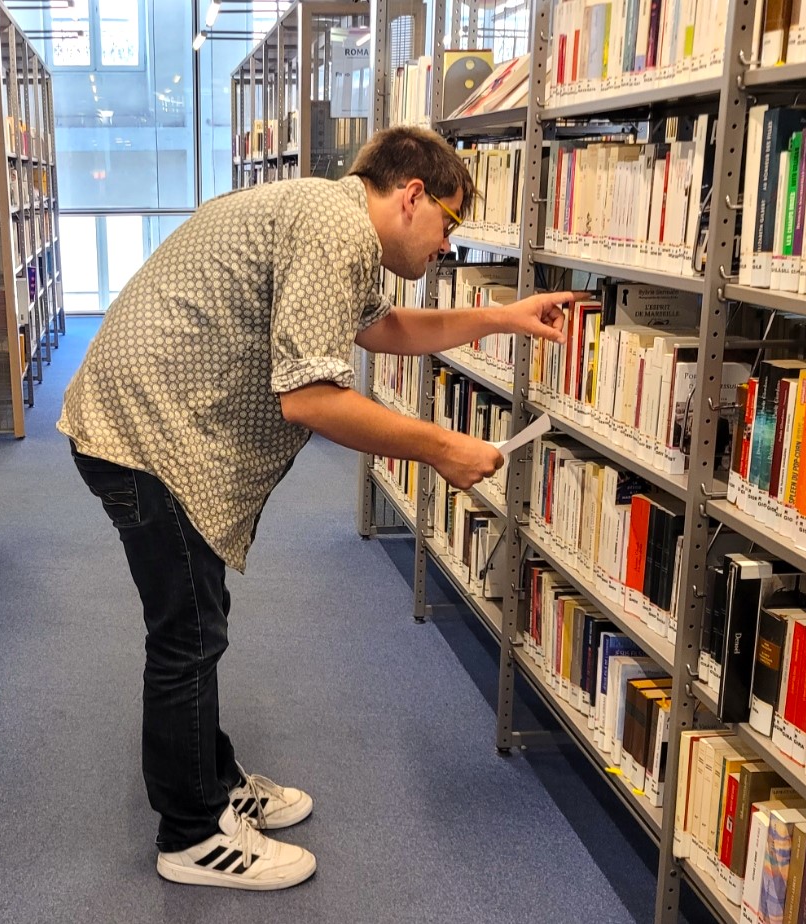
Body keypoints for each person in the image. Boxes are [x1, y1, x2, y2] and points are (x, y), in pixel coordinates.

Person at [59, 125, 578, 891]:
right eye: (449, 224)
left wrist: (501, 317)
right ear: (411, 197)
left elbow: (381, 329)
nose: (447, 246)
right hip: (147, 434)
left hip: (152, 423)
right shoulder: (335, 229)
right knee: (187, 635)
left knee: (198, 621)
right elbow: (309, 400)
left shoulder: (330, 219)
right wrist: (440, 447)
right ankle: (192, 834)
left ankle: (214, 781)